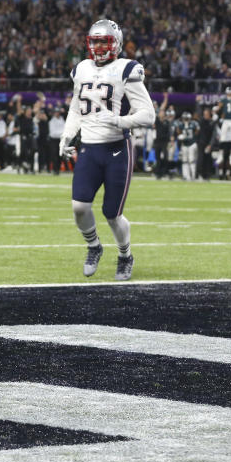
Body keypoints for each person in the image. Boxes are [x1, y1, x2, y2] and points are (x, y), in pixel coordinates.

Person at [59, 19, 154, 281]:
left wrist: (122, 121)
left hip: (116, 149)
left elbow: (148, 114)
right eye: (95, 41)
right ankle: (94, 247)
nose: (99, 47)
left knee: (112, 214)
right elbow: (76, 109)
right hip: (89, 147)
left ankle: (125, 255)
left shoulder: (127, 69)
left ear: (116, 43)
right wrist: (67, 136)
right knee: (79, 206)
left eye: (104, 41)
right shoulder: (81, 69)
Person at [216, 85, 231, 180]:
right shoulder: (225, 101)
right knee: (223, 138)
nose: (229, 94)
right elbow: (219, 108)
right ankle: (221, 154)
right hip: (227, 122)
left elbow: (219, 107)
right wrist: (218, 108)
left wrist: (218, 107)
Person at [175, 110, 200, 181]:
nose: (185, 120)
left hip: (192, 144)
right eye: (184, 118)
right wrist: (181, 136)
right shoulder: (181, 125)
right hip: (184, 144)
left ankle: (193, 176)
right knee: (185, 161)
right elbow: (178, 131)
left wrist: (192, 137)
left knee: (192, 160)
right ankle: (186, 176)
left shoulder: (194, 123)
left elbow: (198, 131)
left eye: (186, 118)